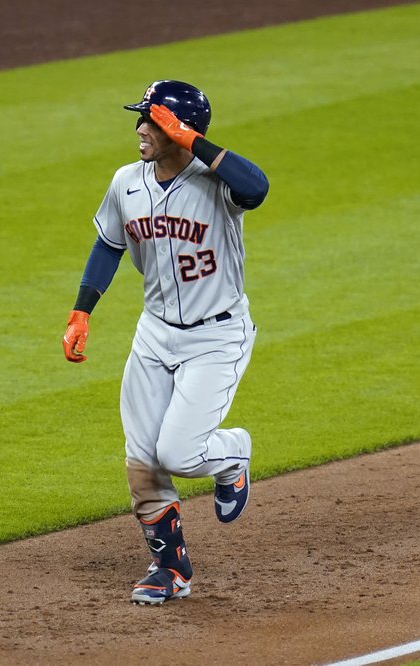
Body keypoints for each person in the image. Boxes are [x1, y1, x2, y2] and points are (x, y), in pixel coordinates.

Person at [61, 81, 269, 605]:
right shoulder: (126, 183)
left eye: (151, 121)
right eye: (142, 120)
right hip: (154, 334)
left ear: (179, 128)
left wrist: (193, 140)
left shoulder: (215, 183)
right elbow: (108, 244)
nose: (140, 130)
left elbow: (257, 186)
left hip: (216, 335)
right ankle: (170, 568)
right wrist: (82, 310)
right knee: (142, 460)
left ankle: (233, 456)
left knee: (179, 451)